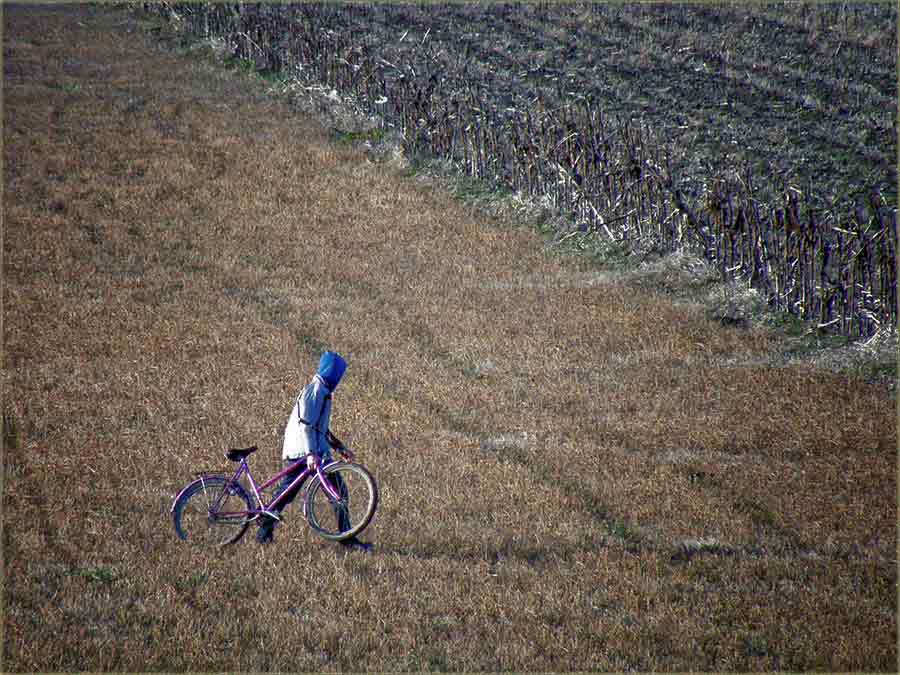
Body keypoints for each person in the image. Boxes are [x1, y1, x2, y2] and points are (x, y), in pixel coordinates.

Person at [257, 351, 368, 550]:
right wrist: (310, 453)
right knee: (287, 493)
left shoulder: (323, 392)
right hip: (303, 450)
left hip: (317, 451)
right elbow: (306, 424)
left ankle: (347, 537)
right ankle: (264, 531)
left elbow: (321, 428)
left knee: (338, 492)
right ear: (330, 371)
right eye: (337, 373)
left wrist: (339, 447)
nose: (338, 379)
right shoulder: (314, 390)